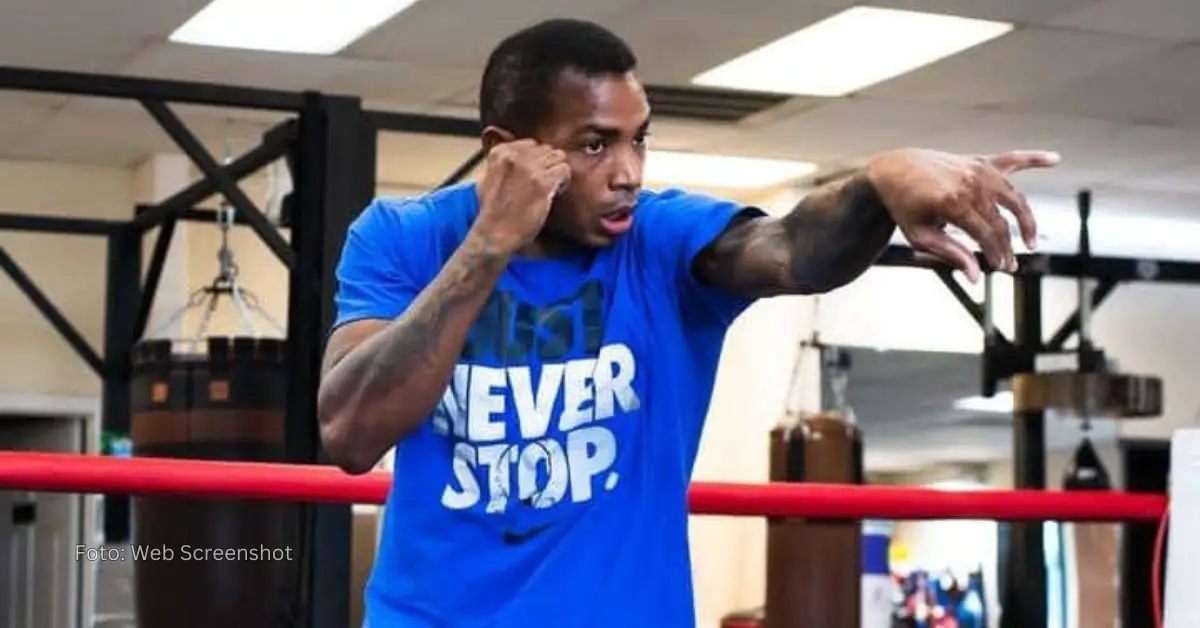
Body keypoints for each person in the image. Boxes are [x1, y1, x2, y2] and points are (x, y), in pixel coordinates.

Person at [316, 17, 1059, 628]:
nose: (629, 172)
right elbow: (350, 434)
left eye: (640, 139)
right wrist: (489, 246)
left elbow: (792, 249)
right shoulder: (401, 238)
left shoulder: (662, 241)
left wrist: (874, 186)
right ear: (505, 152)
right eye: (595, 144)